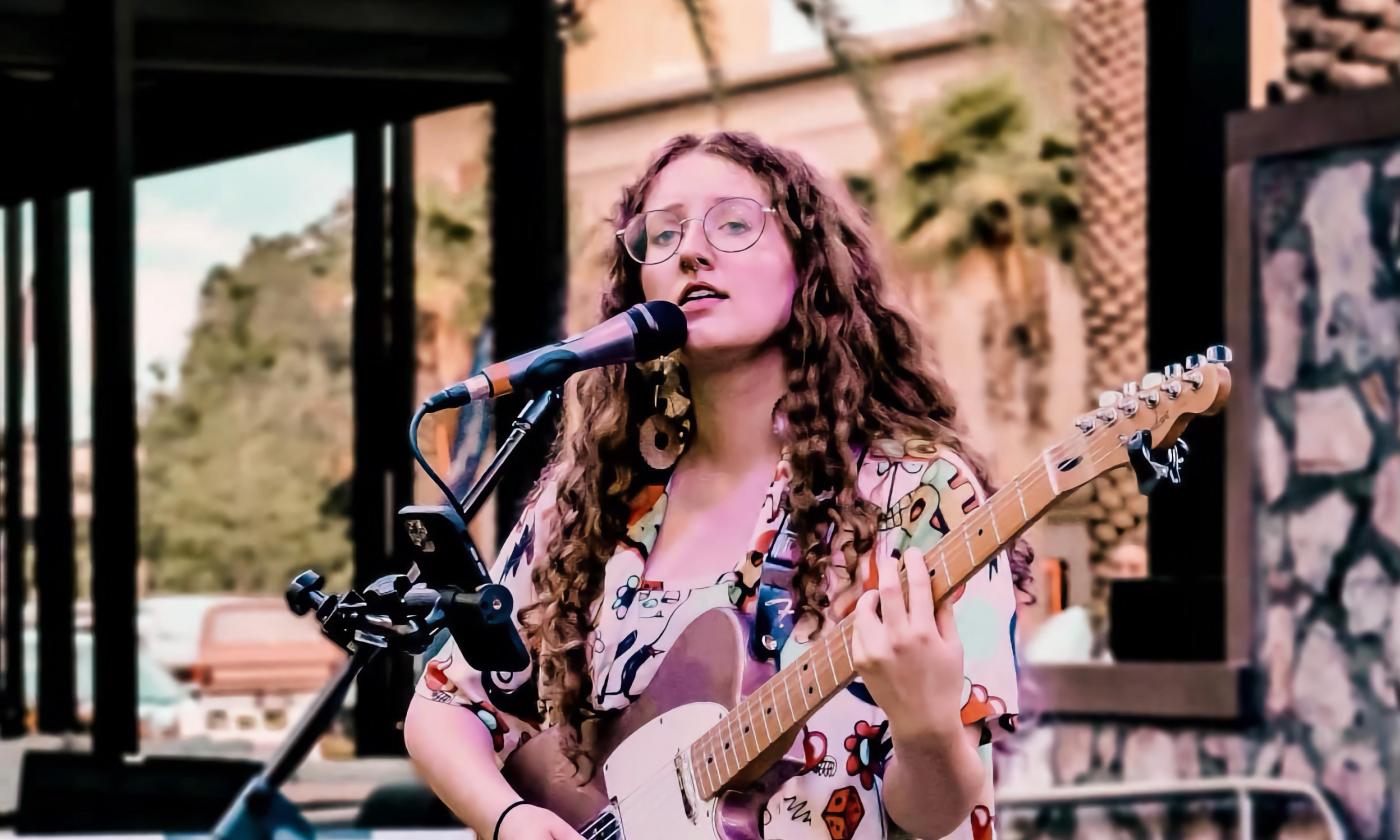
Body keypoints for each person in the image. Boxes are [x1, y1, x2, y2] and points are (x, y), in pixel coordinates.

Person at [404, 131, 1027, 840]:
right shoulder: (592, 503)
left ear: (809, 262)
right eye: (662, 235)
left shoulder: (916, 492)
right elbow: (446, 701)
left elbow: (939, 815)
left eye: (733, 223)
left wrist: (923, 730)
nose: (691, 251)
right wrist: (509, 818)